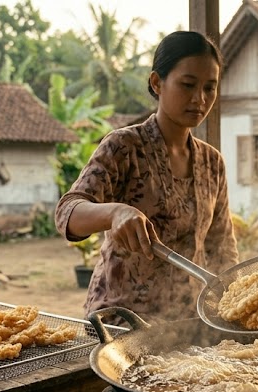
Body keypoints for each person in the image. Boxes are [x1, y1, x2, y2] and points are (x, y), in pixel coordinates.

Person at [55, 31, 239, 323]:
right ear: (157, 83)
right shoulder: (124, 147)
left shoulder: (212, 162)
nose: (199, 99)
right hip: (120, 323)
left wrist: (237, 300)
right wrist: (114, 213)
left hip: (187, 325)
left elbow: (222, 246)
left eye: (210, 88)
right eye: (188, 85)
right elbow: (67, 212)